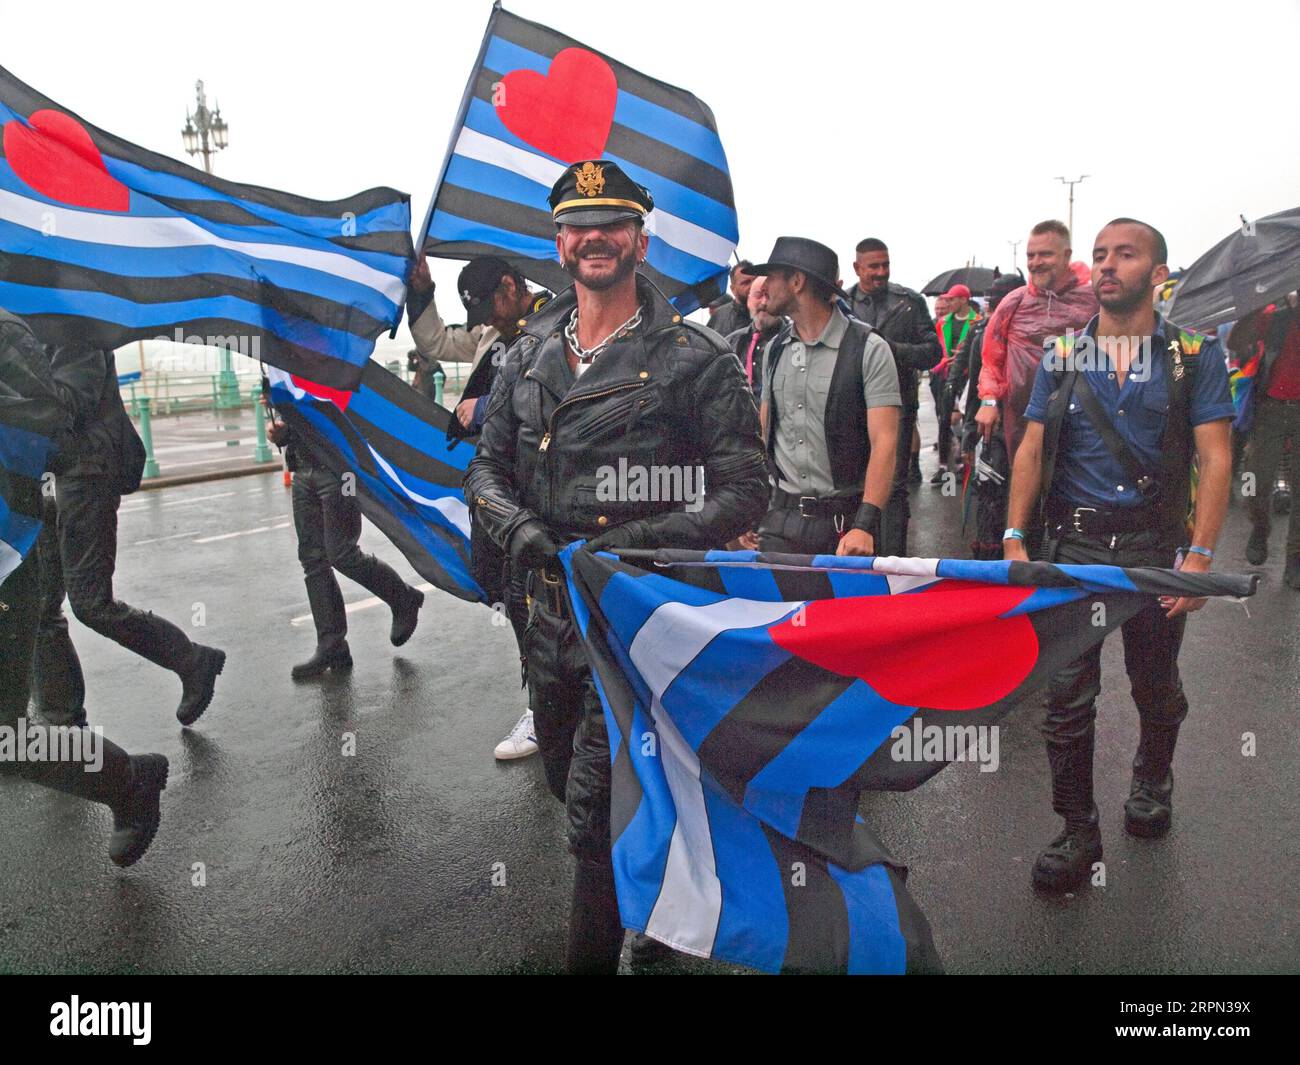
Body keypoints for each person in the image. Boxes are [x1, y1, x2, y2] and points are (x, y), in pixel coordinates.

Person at [464, 160, 768, 973]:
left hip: (635, 618)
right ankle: (658, 903)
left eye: (614, 222)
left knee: (594, 817)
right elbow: (483, 469)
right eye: (579, 224)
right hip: (546, 615)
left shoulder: (691, 357)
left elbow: (745, 487)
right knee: (572, 786)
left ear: (639, 237)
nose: (595, 237)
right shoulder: (526, 350)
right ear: (559, 241)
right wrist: (517, 527)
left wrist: (637, 545)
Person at [1002, 219, 1234, 893]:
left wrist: (1199, 558)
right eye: (1100, 254)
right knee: (1067, 700)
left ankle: (1152, 779)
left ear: (1157, 273)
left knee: (1154, 686)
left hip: (1155, 549)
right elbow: (1032, 446)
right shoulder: (1065, 353)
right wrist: (1016, 537)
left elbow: (1217, 457)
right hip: (1074, 550)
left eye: (1124, 254)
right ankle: (1077, 827)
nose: (1107, 265)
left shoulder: (1194, 353)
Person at [2, 308, 168, 866]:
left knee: (7, 736)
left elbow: (50, 420)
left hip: (11, 535)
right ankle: (108, 761)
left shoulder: (20, 328)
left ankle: (124, 779)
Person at [34, 345, 225, 727]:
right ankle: (63, 722)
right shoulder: (33, 327)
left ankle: (191, 660)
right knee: (42, 604)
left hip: (86, 472)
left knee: (90, 603)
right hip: (45, 476)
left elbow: (69, 405)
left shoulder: (74, 325)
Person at [408, 255, 548, 759]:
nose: (486, 319)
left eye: (491, 304)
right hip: (496, 483)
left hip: (540, 486)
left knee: (540, 596)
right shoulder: (492, 332)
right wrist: (422, 292)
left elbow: (554, 391)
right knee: (503, 586)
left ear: (512, 285)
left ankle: (548, 707)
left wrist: (485, 407)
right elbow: (437, 343)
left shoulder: (557, 321)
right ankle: (549, 696)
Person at [750, 237, 901, 555]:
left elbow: (885, 443)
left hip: (845, 528)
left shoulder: (869, 349)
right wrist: (749, 513)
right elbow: (763, 435)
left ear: (796, 281)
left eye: (773, 276)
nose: (764, 287)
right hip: (780, 523)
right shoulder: (775, 349)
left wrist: (864, 525)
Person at [265, 411, 424, 679]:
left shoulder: (333, 367)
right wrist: (281, 429)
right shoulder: (285, 373)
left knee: (342, 553)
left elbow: (337, 413)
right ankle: (332, 645)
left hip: (340, 471)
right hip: (303, 469)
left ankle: (402, 598)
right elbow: (296, 416)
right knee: (312, 559)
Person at [975, 220, 1100, 463]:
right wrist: (988, 401)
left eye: (1045, 254)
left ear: (1066, 255)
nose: (1035, 262)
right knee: (1024, 487)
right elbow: (991, 360)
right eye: (1030, 255)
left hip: (1082, 421)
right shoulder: (1014, 303)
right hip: (1020, 420)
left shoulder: (1094, 300)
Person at [845, 238, 941, 553]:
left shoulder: (909, 302)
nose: (881, 272)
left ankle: (895, 563)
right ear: (857, 268)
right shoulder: (842, 304)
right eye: (874, 266)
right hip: (849, 411)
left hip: (896, 408)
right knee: (853, 486)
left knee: (894, 489)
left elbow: (932, 353)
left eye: (885, 264)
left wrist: (889, 350)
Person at [1229, 294, 1300, 586]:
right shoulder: (1275, 313)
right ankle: (1260, 526)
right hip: (1269, 407)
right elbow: (1235, 343)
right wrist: (1253, 304)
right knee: (1255, 480)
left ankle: (1295, 558)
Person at [955, 273, 1025, 557]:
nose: (995, 313)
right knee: (991, 503)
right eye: (993, 306)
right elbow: (976, 392)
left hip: (1031, 433)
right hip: (993, 435)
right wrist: (969, 440)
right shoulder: (983, 333)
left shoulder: (1038, 332)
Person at [931, 284, 980, 484]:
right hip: (944, 375)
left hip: (967, 376)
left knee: (966, 419)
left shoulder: (977, 322)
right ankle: (944, 467)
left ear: (963, 300)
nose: (947, 303)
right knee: (944, 419)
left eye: (951, 299)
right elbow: (935, 347)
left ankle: (964, 463)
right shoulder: (943, 323)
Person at [724, 275, 780, 400]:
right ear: (749, 300)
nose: (764, 302)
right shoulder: (731, 343)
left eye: (769, 295)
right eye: (758, 295)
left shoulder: (791, 342)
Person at [706, 260, 755, 337]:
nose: (753, 286)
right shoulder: (719, 315)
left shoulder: (767, 314)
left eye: (755, 281)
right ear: (733, 289)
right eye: (746, 282)